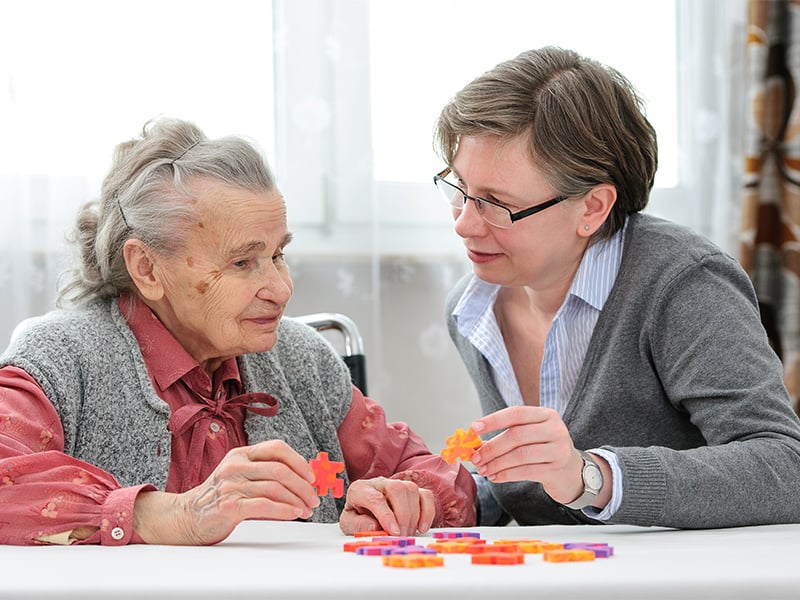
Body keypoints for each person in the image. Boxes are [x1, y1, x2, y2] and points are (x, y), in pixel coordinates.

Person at [0, 118, 476, 546]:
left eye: (278, 255)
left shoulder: (301, 359)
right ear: (146, 268)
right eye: (242, 262)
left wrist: (401, 501)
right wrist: (174, 515)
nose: (281, 288)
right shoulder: (61, 356)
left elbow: (441, 481)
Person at [432, 46, 800, 528]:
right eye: (458, 188)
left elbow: (784, 468)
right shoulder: (471, 308)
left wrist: (593, 475)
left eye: (496, 203)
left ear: (592, 208)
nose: (463, 225)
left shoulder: (684, 284)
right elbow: (538, 484)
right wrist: (448, 500)